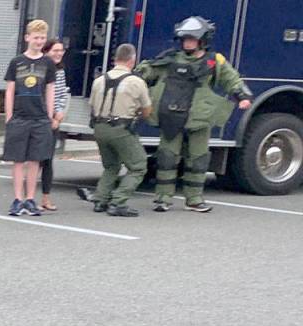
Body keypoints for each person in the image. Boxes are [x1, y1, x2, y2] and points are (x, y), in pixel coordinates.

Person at [136, 16, 252, 213]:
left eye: (192, 39)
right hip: (171, 116)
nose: (188, 43)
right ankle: (163, 198)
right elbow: (147, 71)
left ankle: (194, 199)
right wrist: (133, 78)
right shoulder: (170, 58)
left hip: (199, 118)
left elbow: (231, 79)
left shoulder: (214, 61)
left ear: (202, 40)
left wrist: (242, 96)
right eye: (185, 39)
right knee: (167, 158)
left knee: (198, 159)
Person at [85, 43, 152, 216]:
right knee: (138, 166)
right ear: (132, 60)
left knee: (111, 166)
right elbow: (147, 110)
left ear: (115, 59)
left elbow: (91, 105)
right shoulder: (136, 82)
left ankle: (100, 200)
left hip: (99, 128)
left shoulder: (99, 80)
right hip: (120, 128)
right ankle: (118, 202)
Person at [2, 19, 56, 217]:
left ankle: (31, 198)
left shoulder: (48, 63)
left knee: (35, 160)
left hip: (40, 118)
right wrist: (9, 116)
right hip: (19, 117)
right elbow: (10, 90)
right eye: (36, 37)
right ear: (27, 38)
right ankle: (17, 199)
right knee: (18, 160)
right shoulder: (17, 62)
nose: (39, 41)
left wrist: (49, 116)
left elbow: (50, 89)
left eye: (42, 38)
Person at [38, 38, 69, 211]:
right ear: (46, 51)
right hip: (41, 118)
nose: (58, 54)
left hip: (54, 120)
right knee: (36, 159)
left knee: (48, 161)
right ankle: (28, 197)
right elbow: (40, 95)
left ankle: (46, 198)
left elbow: (62, 94)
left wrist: (59, 113)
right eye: (55, 50)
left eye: (61, 50)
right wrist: (48, 116)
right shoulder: (41, 70)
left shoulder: (60, 71)